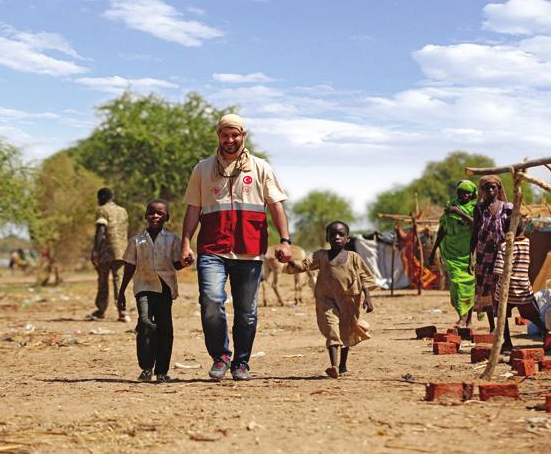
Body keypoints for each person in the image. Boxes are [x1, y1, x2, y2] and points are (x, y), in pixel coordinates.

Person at [180, 113, 292, 381]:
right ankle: (220, 356)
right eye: (224, 135)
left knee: (247, 311)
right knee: (210, 301)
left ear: (244, 136)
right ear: (218, 136)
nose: (229, 140)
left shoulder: (260, 167)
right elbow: (193, 209)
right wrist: (185, 242)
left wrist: (286, 241)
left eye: (235, 135)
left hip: (249, 249)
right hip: (212, 248)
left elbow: (276, 205)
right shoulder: (203, 169)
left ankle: (241, 362)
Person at [286, 221, 377, 378]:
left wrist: (368, 297)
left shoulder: (354, 258)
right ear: (327, 238)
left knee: (346, 331)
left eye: (341, 234)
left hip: (349, 300)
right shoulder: (321, 256)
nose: (337, 237)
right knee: (332, 329)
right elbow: (304, 265)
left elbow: (364, 277)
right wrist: (290, 261)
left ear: (347, 239)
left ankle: (342, 365)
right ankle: (333, 366)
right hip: (326, 299)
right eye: (333, 234)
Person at [118, 199, 183, 382]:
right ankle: (146, 367)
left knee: (165, 330)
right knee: (146, 323)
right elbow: (130, 266)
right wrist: (122, 291)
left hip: (164, 288)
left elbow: (177, 264)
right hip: (143, 287)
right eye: (152, 213)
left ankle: (161, 371)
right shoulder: (136, 241)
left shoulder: (172, 240)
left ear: (166, 217)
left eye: (160, 213)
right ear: (146, 216)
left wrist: (186, 261)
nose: (155, 216)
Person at [493, 218, 551, 352]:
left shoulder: (504, 247)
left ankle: (507, 342)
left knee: (502, 315)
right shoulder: (527, 242)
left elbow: (499, 270)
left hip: (507, 288)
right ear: (522, 230)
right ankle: (546, 331)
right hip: (523, 286)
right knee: (531, 315)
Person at [430, 180, 477, 327]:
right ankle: (462, 317)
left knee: (468, 286)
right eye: (461, 192)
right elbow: (442, 230)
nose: (464, 195)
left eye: (467, 192)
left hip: (467, 253)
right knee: (456, 285)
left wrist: (459, 213)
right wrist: (433, 251)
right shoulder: (451, 206)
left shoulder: (476, 208)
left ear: (473, 194)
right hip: (450, 253)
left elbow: (476, 225)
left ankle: (467, 320)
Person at [469, 175, 512, 332]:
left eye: (494, 187)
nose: (491, 190)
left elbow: (512, 231)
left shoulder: (507, 207)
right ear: (482, 190)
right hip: (483, 255)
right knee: (486, 290)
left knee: (501, 290)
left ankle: (503, 328)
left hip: (501, 255)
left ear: (499, 189)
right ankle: (493, 327)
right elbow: (474, 233)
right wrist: (470, 256)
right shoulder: (478, 208)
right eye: (487, 188)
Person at [88, 187, 130, 322]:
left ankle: (101, 310)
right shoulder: (123, 211)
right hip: (122, 251)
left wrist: (95, 250)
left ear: (101, 198)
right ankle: (122, 312)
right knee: (119, 281)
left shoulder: (102, 210)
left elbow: (100, 230)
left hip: (106, 252)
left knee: (103, 281)